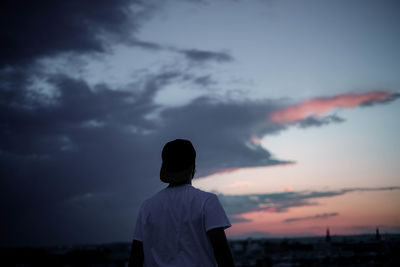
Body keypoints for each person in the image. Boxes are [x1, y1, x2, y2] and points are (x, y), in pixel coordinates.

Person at [129, 139, 235, 267]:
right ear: (193, 167)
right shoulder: (207, 201)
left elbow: (136, 256)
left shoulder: (147, 206)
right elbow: (223, 254)